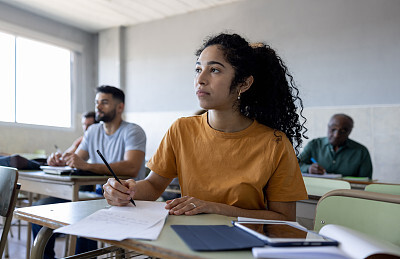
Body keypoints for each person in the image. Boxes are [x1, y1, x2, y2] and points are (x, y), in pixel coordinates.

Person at [103, 33, 308, 221]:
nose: (200, 80)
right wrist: (126, 190)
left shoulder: (275, 143)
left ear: (244, 84)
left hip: (246, 247)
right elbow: (154, 185)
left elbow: (285, 219)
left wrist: (215, 208)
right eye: (198, 69)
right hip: (187, 239)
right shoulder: (182, 129)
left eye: (215, 70)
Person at [34, 85, 147, 259]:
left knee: (85, 214)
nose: (98, 107)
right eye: (96, 102)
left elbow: (132, 167)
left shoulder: (133, 131)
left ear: (119, 107)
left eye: (104, 102)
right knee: (40, 209)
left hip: (122, 196)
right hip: (90, 192)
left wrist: (87, 166)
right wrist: (59, 162)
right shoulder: (93, 131)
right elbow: (76, 161)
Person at [298, 113, 373, 178]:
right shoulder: (314, 145)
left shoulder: (361, 151)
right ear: (328, 127)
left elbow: (366, 181)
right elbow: (296, 164)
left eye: (343, 131)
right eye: (333, 129)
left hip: (347, 192)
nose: (336, 135)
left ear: (349, 131)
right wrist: (308, 168)